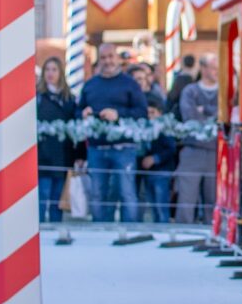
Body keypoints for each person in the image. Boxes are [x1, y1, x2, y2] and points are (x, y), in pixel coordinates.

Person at [78, 43, 148, 222]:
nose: (107, 61)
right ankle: (100, 230)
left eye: (110, 56)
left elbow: (142, 112)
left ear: (117, 58)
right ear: (99, 60)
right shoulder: (90, 85)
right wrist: (83, 113)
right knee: (97, 192)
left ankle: (129, 232)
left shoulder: (130, 84)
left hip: (123, 147)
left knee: (127, 192)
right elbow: (77, 111)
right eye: (103, 57)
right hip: (96, 147)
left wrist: (118, 115)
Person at [175, 53, 219, 224]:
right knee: (186, 197)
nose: (216, 72)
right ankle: (183, 233)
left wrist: (204, 112)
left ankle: (213, 232)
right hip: (193, 150)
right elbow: (190, 116)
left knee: (213, 198)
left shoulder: (226, 91)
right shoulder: (190, 91)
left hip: (216, 151)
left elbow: (226, 116)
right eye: (213, 68)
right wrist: (211, 117)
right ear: (203, 68)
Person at [36, 57, 76, 223]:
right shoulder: (38, 97)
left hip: (62, 154)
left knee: (57, 197)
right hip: (43, 154)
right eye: (47, 70)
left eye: (54, 70)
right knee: (43, 194)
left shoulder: (69, 99)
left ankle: (55, 226)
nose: (50, 73)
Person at [141, 93, 177, 223]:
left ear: (160, 113)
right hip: (148, 172)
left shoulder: (164, 128)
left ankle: (163, 228)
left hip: (162, 171)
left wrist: (155, 159)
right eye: (148, 113)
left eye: (153, 112)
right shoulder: (144, 128)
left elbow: (171, 148)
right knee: (153, 206)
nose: (150, 116)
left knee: (161, 205)